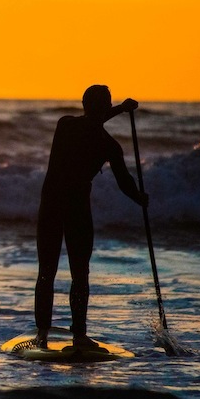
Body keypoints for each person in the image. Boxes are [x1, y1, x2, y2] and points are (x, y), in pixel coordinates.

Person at [32, 85, 148, 350]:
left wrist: (139, 197)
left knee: (66, 273)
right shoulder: (86, 135)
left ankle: (67, 335)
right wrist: (139, 198)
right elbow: (125, 183)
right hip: (62, 208)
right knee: (58, 273)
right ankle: (51, 335)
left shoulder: (78, 131)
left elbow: (125, 182)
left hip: (63, 208)